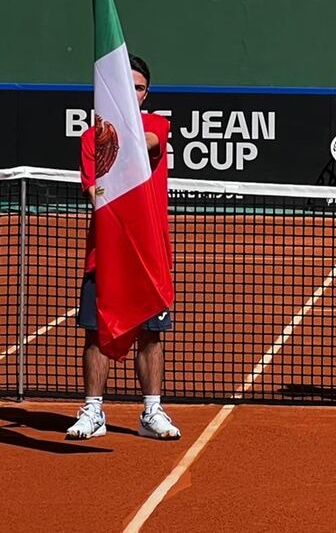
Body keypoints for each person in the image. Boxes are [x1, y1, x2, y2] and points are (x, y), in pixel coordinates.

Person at [66, 54, 180, 441]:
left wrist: (116, 133)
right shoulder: (89, 139)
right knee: (97, 333)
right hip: (106, 254)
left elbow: (146, 143)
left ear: (147, 94)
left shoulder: (157, 126)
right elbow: (93, 190)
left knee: (151, 335)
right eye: (125, 86)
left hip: (150, 254)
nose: (132, 93)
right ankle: (93, 411)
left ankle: (151, 411)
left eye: (139, 87)